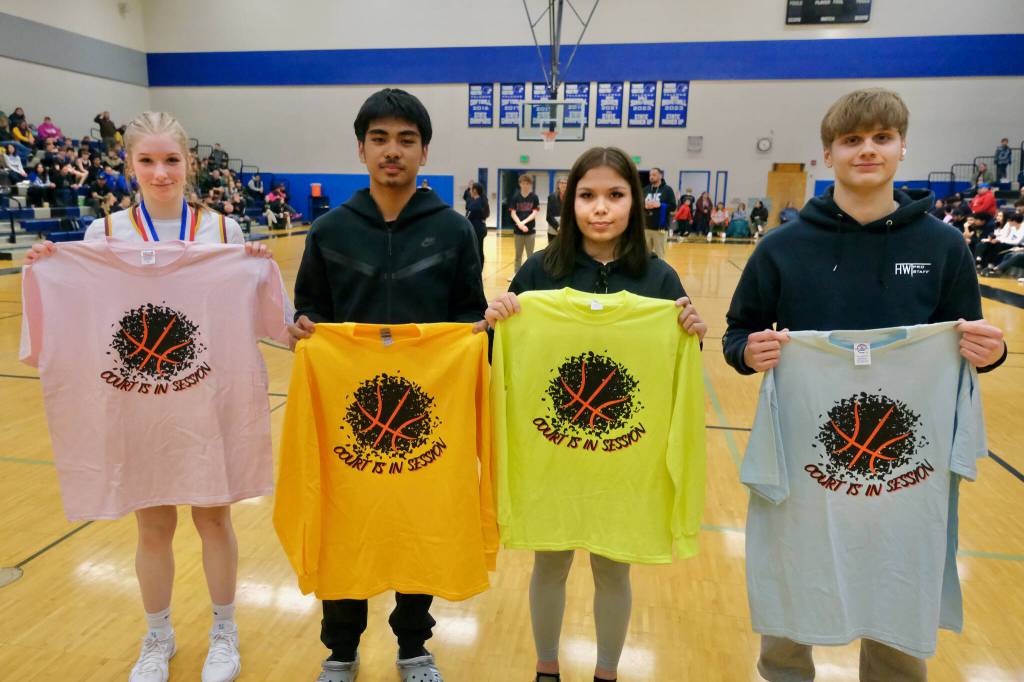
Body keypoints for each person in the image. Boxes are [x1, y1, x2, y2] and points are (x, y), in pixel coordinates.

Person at [724, 87, 1006, 682]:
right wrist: (748, 350)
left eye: (882, 138)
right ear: (828, 155)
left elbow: (969, 339)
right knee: (790, 593)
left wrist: (991, 351)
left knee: (898, 600)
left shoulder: (943, 246)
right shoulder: (782, 248)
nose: (867, 150)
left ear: (903, 147)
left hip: (906, 470)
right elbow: (736, 335)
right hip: (803, 457)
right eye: (852, 140)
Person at [24, 110, 272, 682]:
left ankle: (223, 632)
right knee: (152, 528)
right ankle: (157, 636)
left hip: (203, 401)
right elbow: (83, 322)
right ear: (129, 164)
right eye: (148, 161)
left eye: (171, 160)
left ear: (190, 164)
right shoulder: (102, 234)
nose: (161, 173)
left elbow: (255, 319)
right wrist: (48, 271)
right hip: (137, 402)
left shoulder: (223, 233)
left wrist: (255, 268)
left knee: (213, 522)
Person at [482, 146, 706, 682]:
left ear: (635, 200)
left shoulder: (660, 279)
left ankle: (606, 672)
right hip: (552, 457)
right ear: (569, 201)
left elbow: (677, 372)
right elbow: (502, 362)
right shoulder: (538, 272)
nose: (600, 208)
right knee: (550, 563)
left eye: (614, 195)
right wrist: (497, 322)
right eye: (587, 196)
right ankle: (546, 669)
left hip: (623, 462)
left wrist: (691, 335)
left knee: (614, 566)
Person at [285, 87, 486, 682]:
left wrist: (476, 338)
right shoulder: (329, 231)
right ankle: (340, 650)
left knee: (418, 522)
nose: (391, 151)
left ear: (425, 152)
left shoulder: (453, 230)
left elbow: (469, 319)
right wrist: (303, 329)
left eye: (405, 140)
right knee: (346, 523)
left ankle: (413, 647)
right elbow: (308, 311)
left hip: (427, 414)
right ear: (360, 148)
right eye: (379, 139)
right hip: (352, 416)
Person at [509, 174, 540, 277]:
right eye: (523, 183)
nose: (525, 185)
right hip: (518, 231)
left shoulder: (534, 197)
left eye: (527, 183)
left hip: (530, 230)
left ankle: (530, 274)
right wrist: (520, 224)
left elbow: (534, 213)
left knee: (530, 255)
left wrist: (524, 223)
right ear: (520, 184)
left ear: (530, 184)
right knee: (518, 254)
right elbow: (513, 213)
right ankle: (516, 273)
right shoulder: (515, 197)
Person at [641, 167, 677, 258]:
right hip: (646, 227)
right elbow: (639, 204)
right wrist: (644, 205)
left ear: (661, 176)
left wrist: (660, 205)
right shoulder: (645, 189)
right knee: (644, 255)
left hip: (660, 229)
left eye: (654, 175)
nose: (651, 177)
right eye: (650, 175)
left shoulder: (667, 190)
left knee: (660, 255)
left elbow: (673, 207)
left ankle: (659, 272)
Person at [467, 181, 490, 263]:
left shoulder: (475, 204)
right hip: (481, 228)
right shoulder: (482, 201)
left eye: (470, 189)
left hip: (477, 229)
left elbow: (468, 218)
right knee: (479, 250)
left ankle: (477, 269)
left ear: (475, 191)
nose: (469, 191)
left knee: (476, 251)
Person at [546, 177, 566, 243]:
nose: (564, 185)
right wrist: (557, 227)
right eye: (562, 183)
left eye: (566, 183)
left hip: (566, 231)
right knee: (553, 252)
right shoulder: (551, 197)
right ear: (558, 185)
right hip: (553, 231)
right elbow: (548, 216)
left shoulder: (572, 198)